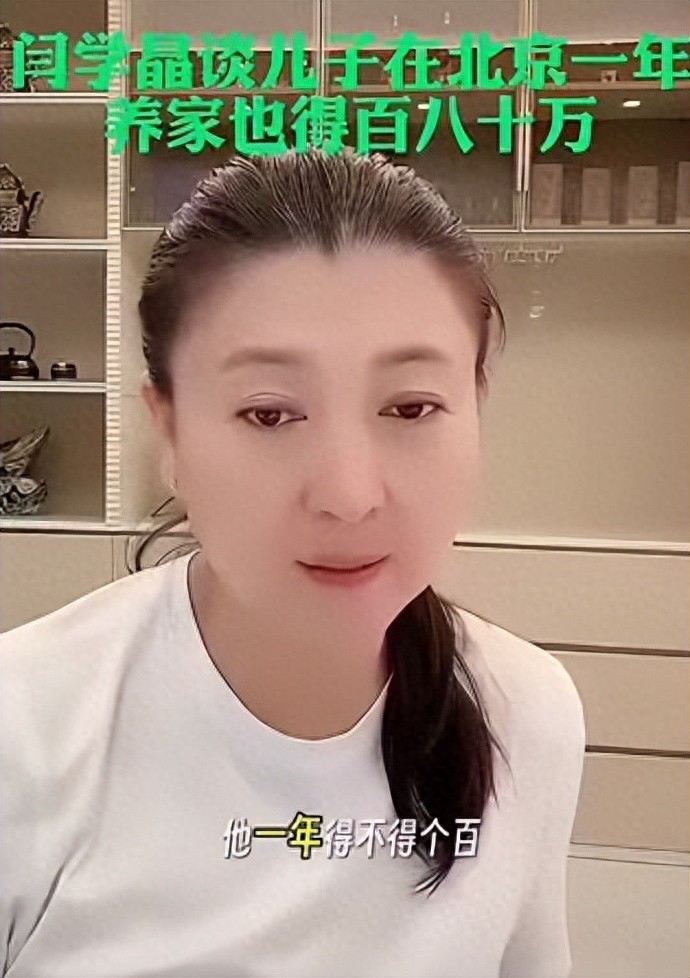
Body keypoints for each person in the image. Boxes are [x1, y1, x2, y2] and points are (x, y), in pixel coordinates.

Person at [0, 148, 586, 978]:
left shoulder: (525, 712)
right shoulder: (24, 727)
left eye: (411, 407)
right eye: (270, 414)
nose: (349, 496)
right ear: (170, 434)